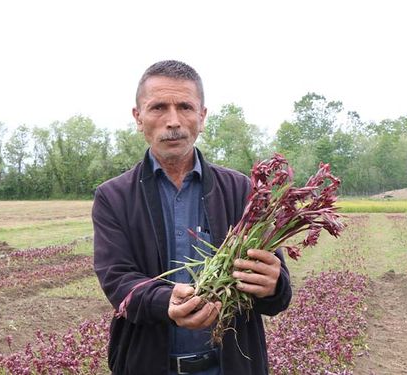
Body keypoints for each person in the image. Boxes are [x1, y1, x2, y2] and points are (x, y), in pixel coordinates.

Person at [93, 60, 292, 375]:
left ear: (202, 116)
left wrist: (273, 283)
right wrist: (164, 301)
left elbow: (277, 295)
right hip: (149, 366)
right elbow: (118, 281)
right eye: (158, 107)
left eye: (185, 107)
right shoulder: (113, 197)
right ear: (138, 117)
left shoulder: (242, 190)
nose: (173, 121)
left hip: (233, 367)